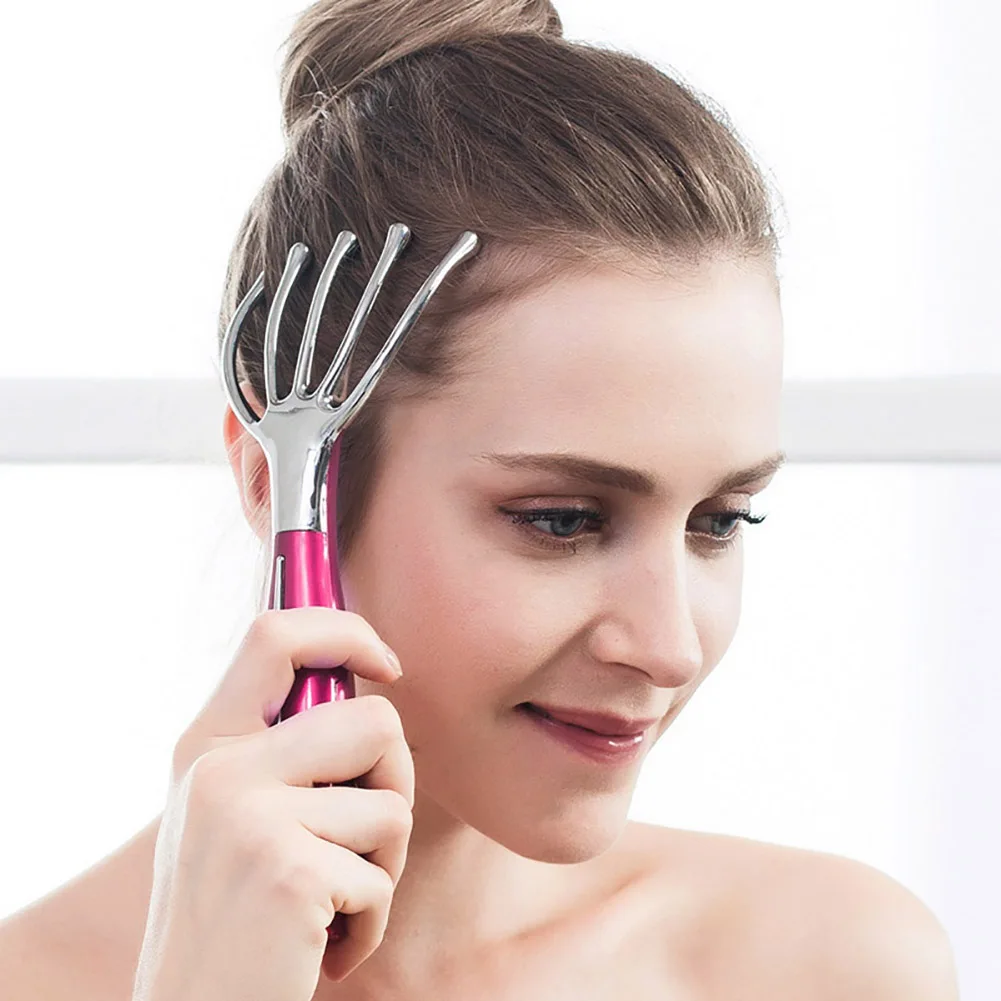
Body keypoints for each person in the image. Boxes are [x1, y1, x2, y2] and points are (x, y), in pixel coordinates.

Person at [0, 1, 960, 998]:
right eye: (561, 520)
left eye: (719, 521)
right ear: (279, 483)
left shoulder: (824, 962)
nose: (669, 646)